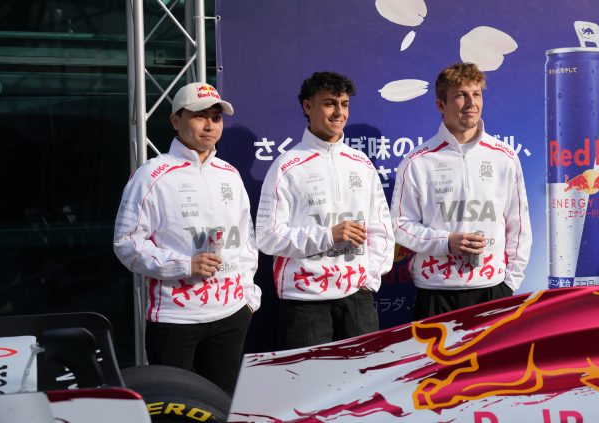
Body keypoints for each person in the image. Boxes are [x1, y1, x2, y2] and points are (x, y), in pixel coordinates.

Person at [113, 82, 261, 396]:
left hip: (231, 314)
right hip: (175, 317)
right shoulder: (151, 174)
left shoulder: (229, 173)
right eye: (199, 116)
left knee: (222, 405)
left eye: (216, 117)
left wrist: (248, 298)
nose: (210, 125)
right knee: (173, 404)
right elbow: (126, 243)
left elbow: (246, 240)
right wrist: (184, 265)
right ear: (175, 120)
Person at [256, 71, 395, 350]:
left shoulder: (361, 163)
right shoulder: (287, 166)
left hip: (357, 299)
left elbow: (381, 230)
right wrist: (327, 236)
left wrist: (367, 280)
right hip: (306, 302)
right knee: (308, 379)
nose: (339, 112)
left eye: (344, 104)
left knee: (363, 377)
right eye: (330, 103)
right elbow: (267, 237)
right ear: (308, 107)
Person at [391, 62, 532, 320]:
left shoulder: (505, 157)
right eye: (460, 95)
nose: (471, 103)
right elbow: (400, 225)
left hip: (492, 290)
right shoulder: (417, 161)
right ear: (440, 105)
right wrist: (445, 242)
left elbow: (518, 225)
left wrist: (509, 283)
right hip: (436, 293)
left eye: (476, 94)